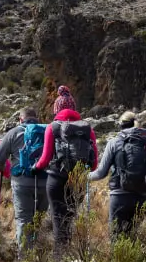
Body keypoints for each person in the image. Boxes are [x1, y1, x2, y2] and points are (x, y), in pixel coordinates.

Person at [33, 86, 98, 245]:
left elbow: (45, 158)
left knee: (57, 218)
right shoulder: (87, 129)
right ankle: (70, 253)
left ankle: (59, 257)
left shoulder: (52, 127)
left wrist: (35, 167)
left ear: (57, 109)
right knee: (69, 217)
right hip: (79, 180)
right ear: (74, 108)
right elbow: (94, 164)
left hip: (56, 179)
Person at [88, 111, 146, 236]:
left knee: (116, 237)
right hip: (143, 196)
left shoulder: (114, 142)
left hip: (120, 196)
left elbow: (101, 173)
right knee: (132, 237)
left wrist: (84, 175)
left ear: (121, 125)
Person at [0, 108, 48, 249]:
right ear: (37, 118)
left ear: (20, 119)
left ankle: (25, 261)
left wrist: (3, 170)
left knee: (24, 220)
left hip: (22, 182)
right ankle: (39, 253)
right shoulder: (47, 131)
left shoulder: (13, 133)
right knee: (39, 219)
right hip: (45, 181)